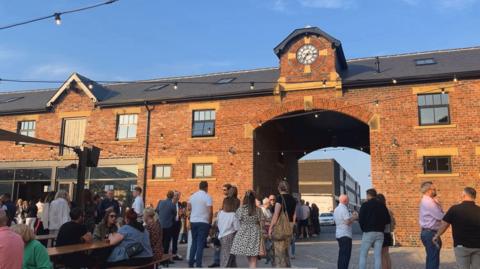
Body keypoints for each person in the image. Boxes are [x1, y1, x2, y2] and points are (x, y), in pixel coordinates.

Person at [433, 187, 480, 269]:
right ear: (474, 197)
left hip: (461, 246)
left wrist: (437, 235)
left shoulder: (455, 209)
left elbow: (444, 225)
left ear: (464, 195)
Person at [358, 188, 391, 269]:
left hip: (368, 232)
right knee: (377, 256)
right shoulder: (382, 206)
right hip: (380, 233)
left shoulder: (365, 205)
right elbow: (388, 220)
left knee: (363, 255)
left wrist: (364, 229)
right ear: (375, 195)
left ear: (368, 195)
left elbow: (361, 219)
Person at [231, 190, 262, 268]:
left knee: (250, 259)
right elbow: (262, 222)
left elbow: (237, 221)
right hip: (255, 233)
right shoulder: (258, 210)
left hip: (244, 234)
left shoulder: (241, 210)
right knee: (253, 259)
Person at [268, 181, 297, 267]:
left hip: (280, 228)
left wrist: (270, 228)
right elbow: (294, 215)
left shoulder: (280, 198)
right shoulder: (293, 199)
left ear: (279, 188)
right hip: (289, 227)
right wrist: (292, 226)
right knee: (285, 251)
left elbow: (276, 215)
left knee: (279, 253)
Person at [188, 181, 213, 268]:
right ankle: (198, 264)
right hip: (203, 222)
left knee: (194, 242)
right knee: (200, 244)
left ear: (199, 187)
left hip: (193, 221)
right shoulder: (208, 197)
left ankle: (191, 263)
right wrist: (210, 223)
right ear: (206, 187)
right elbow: (210, 211)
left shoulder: (192, 196)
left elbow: (189, 208)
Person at [419, 181, 444, 269]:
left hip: (428, 233)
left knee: (431, 257)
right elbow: (440, 216)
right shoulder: (429, 202)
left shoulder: (427, 200)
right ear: (428, 190)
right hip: (431, 233)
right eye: (434, 189)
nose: (435, 190)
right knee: (433, 259)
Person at [334, 194, 359, 269]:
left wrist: (351, 219)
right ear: (345, 201)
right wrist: (354, 217)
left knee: (341, 254)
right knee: (346, 256)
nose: (349, 202)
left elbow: (340, 221)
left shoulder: (336, 209)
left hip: (339, 234)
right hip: (345, 235)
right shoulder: (344, 209)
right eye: (348, 200)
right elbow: (347, 222)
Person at [218, 196, 240, 267]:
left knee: (226, 255)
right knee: (228, 257)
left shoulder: (220, 213)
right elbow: (237, 228)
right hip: (230, 236)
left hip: (222, 236)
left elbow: (218, 224)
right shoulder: (233, 215)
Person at [156, 190, 177, 259]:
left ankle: (159, 256)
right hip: (168, 226)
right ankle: (165, 258)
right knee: (166, 243)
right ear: (172, 197)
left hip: (160, 225)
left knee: (160, 242)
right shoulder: (172, 205)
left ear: (166, 195)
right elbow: (175, 214)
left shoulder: (160, 202)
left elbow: (157, 211)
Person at [377, 194, 395, 269]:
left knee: (382, 255)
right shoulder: (389, 210)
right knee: (386, 254)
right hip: (388, 233)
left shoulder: (381, 210)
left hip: (382, 233)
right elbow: (393, 223)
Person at [172, 191, 184, 261]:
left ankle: (174, 254)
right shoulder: (171, 203)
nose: (177, 197)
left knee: (175, 240)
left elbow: (181, 213)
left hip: (177, 223)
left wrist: (182, 213)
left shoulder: (180, 204)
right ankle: (167, 255)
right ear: (173, 196)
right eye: (176, 195)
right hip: (171, 223)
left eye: (178, 195)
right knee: (168, 240)